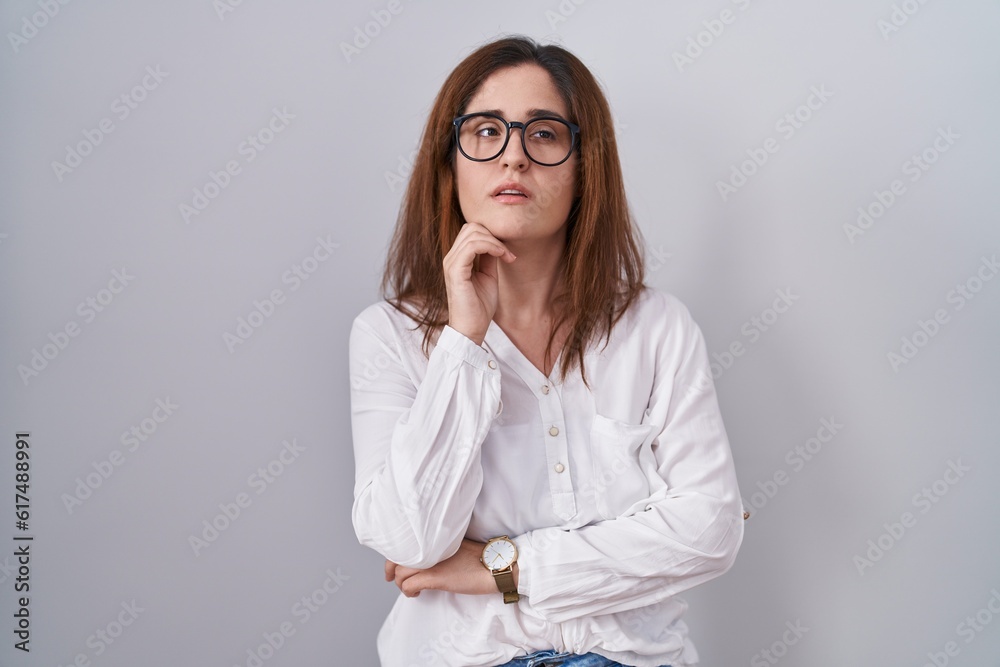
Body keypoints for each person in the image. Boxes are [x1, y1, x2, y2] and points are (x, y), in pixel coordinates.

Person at [349, 35, 744, 667]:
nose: (514, 157)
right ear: (450, 166)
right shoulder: (388, 335)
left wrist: (502, 568)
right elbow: (410, 539)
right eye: (486, 131)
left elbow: (710, 531)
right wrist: (463, 341)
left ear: (585, 167)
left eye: (544, 134)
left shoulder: (657, 327)